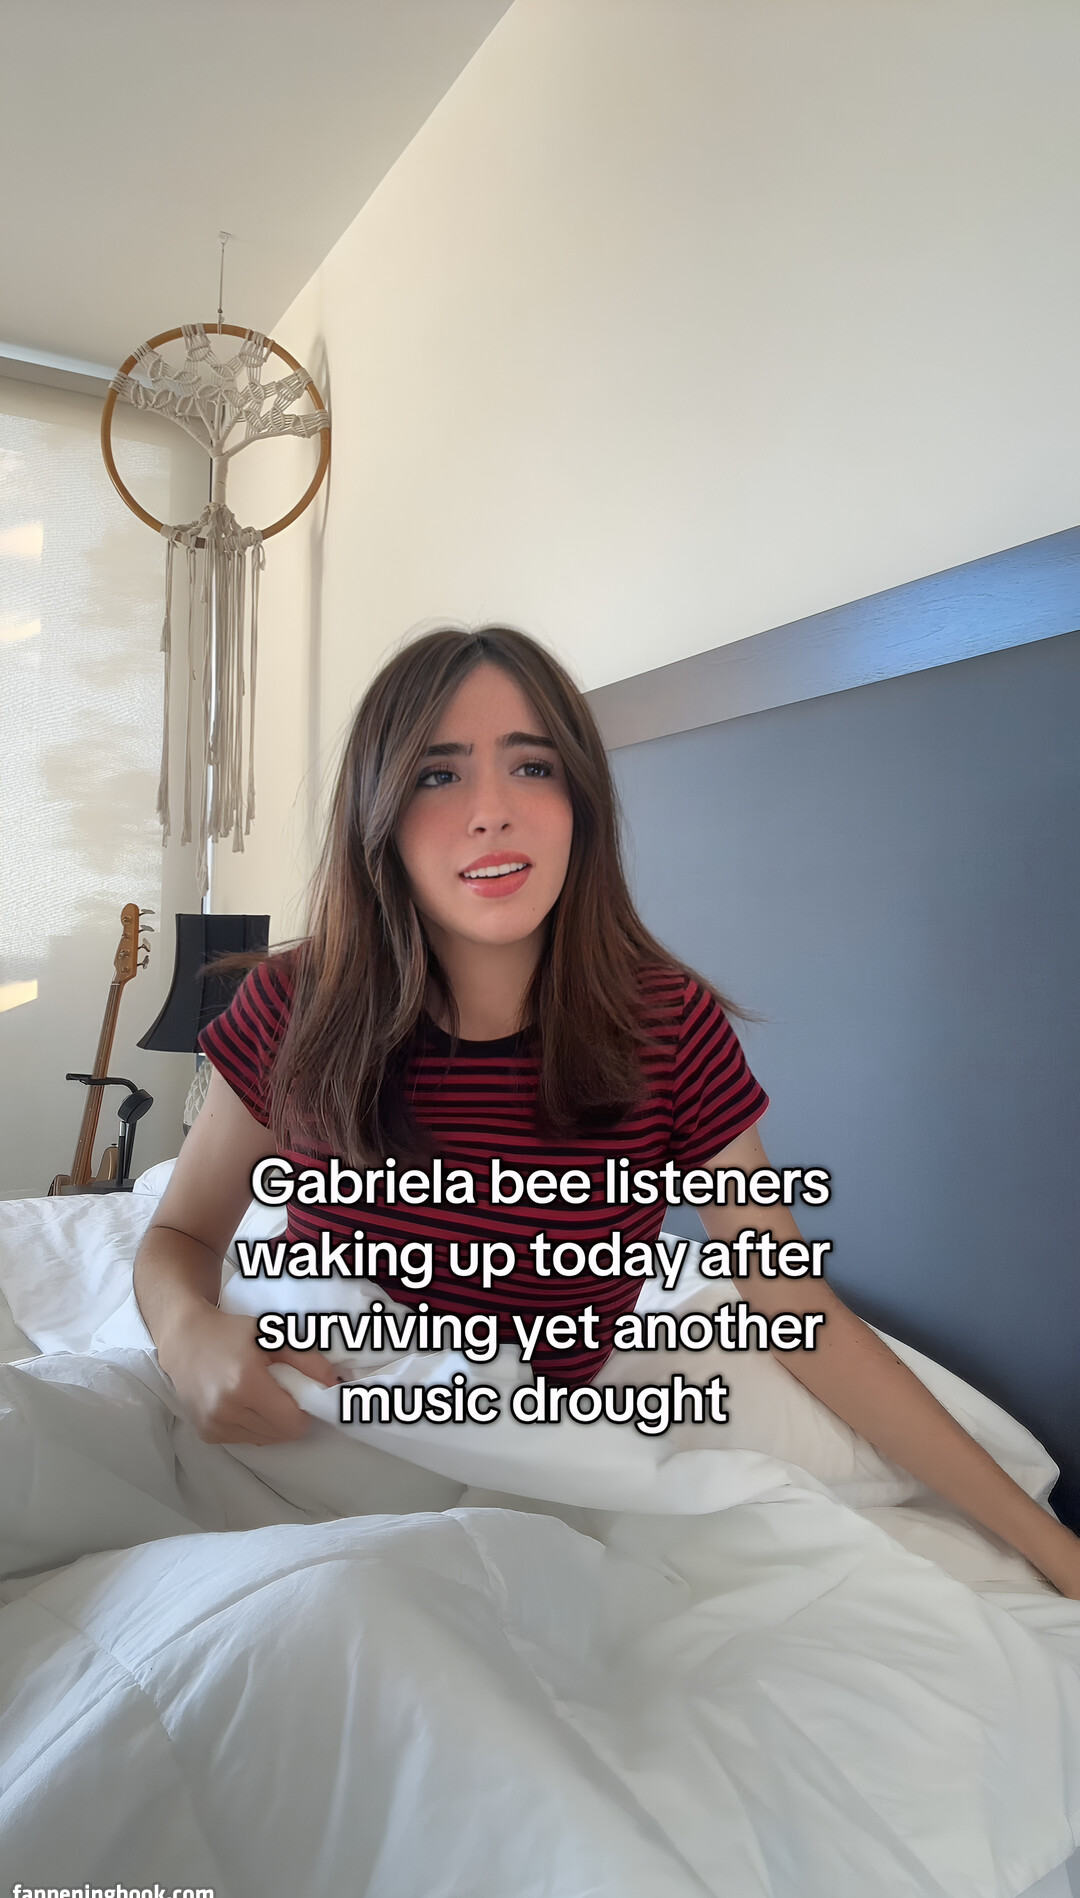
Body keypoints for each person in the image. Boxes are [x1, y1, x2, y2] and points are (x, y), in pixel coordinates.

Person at [134, 625, 1080, 1599]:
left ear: (580, 802)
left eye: (532, 767)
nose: (492, 813)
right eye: (437, 775)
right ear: (379, 816)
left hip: (534, 1453)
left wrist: (1053, 1550)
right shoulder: (297, 1002)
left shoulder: (668, 1027)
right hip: (312, 1424)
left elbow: (792, 1304)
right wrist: (185, 1331)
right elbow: (180, 1234)